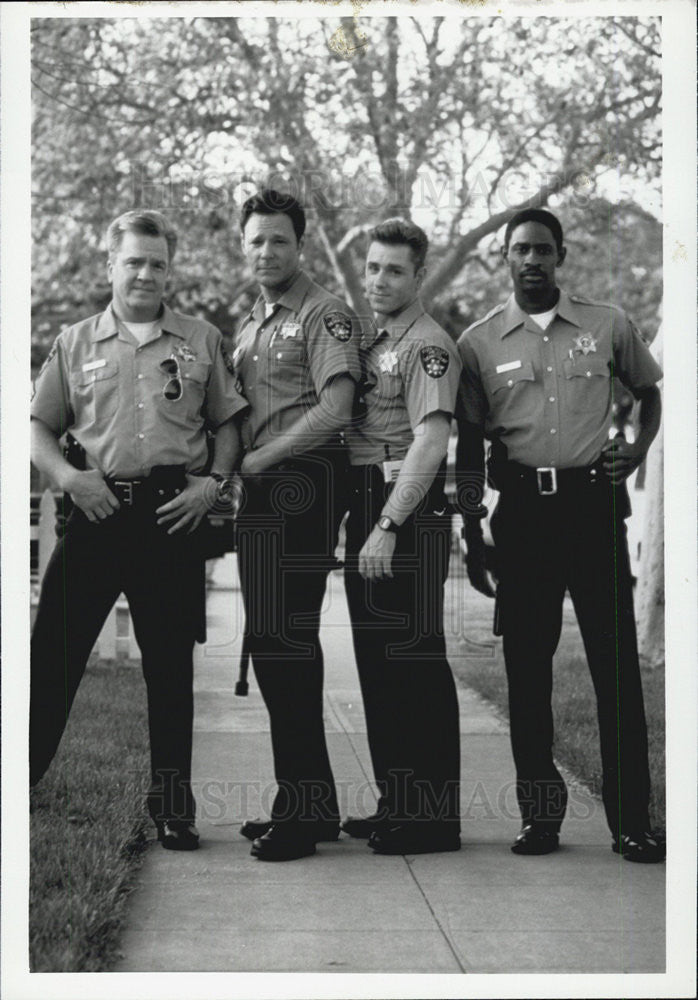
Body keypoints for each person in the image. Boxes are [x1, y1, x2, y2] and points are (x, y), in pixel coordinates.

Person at [30, 209, 247, 851]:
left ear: (168, 270)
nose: (145, 273)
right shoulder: (74, 343)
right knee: (52, 657)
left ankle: (173, 806)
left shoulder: (200, 341)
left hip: (167, 517)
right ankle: (21, 778)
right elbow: (38, 427)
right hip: (95, 512)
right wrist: (69, 481)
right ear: (111, 266)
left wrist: (213, 484)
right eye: (134, 261)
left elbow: (228, 425)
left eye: (157, 263)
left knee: (170, 670)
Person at [456, 207, 664, 862]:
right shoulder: (479, 343)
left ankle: (632, 822)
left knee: (616, 672)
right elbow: (467, 445)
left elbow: (650, 392)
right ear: (506, 259)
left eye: (543, 250)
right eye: (520, 250)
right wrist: (470, 528)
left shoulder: (608, 325)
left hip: (593, 509)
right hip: (521, 518)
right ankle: (539, 819)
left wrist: (636, 445)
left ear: (561, 256)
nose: (532, 261)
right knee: (527, 671)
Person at [232, 189, 361, 861]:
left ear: (299, 245)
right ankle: (303, 800)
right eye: (255, 239)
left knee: (286, 644)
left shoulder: (323, 313)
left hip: (304, 485)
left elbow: (337, 408)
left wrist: (260, 460)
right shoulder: (252, 323)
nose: (266, 251)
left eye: (278, 240)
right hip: (261, 492)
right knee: (274, 645)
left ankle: (306, 814)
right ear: (243, 244)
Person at [341, 218, 462, 855]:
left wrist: (388, 524)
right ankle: (398, 802)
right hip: (368, 503)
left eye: (394, 270)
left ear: (418, 276)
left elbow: (432, 439)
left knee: (414, 661)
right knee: (378, 663)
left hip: (404, 510)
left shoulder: (428, 345)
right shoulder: (371, 341)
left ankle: (435, 818)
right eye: (373, 268)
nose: (379, 280)